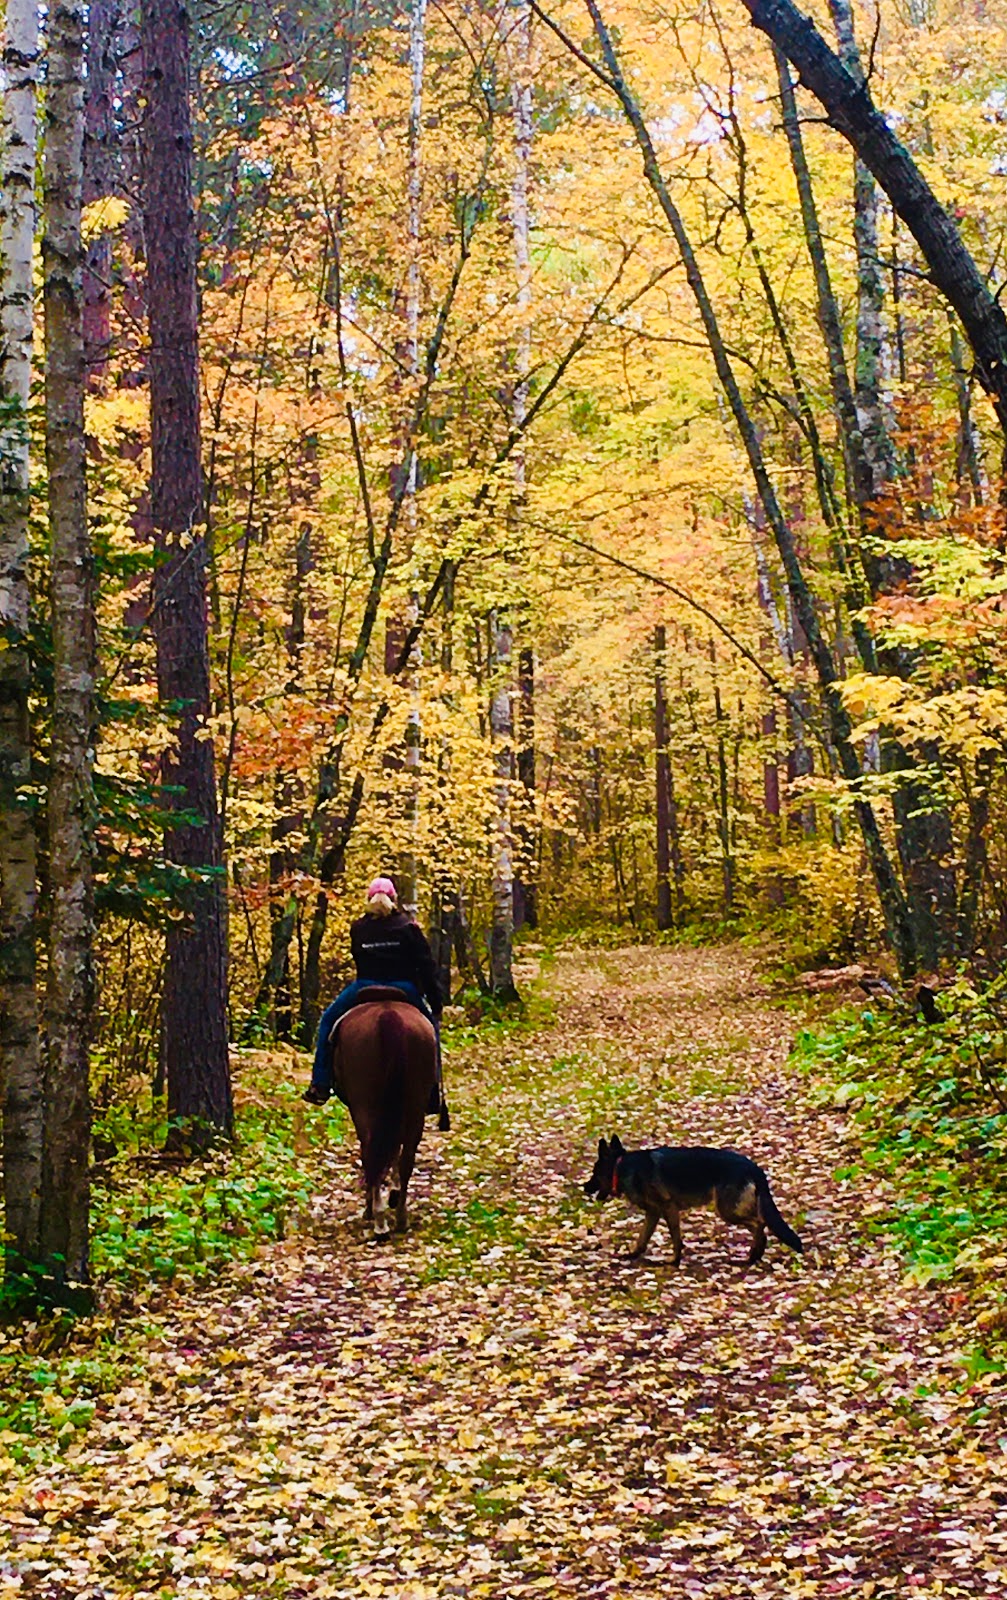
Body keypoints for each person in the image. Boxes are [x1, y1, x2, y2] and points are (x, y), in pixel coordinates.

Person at [304, 876, 444, 1107]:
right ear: (394, 899)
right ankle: (431, 1089)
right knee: (429, 1030)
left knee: (328, 1021)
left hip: (365, 985)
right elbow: (426, 966)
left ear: (369, 899)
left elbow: (359, 958)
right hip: (404, 988)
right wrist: (436, 1003)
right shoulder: (409, 927)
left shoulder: (358, 928)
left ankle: (320, 1084)